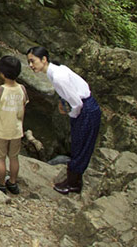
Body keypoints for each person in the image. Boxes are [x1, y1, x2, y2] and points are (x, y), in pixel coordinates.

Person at [26, 45, 101, 194]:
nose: (30, 65)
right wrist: (63, 104)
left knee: (80, 146)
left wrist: (72, 115)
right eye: (28, 62)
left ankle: (73, 183)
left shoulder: (58, 76)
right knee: (78, 145)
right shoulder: (55, 71)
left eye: (32, 61)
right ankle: (74, 180)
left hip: (86, 109)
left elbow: (77, 103)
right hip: (86, 107)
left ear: (44, 59)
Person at [0, 55, 29, 194]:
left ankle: (1, 183)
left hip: (1, 130)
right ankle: (13, 183)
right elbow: (23, 107)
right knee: (14, 157)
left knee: (0, 158)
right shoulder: (22, 89)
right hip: (16, 130)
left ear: (2, 73)